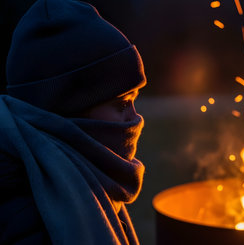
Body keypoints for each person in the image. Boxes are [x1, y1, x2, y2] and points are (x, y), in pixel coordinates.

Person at [0, 0, 147, 244]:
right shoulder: (31, 219)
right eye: (122, 103)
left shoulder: (86, 181)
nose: (135, 118)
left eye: (135, 100)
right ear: (70, 111)